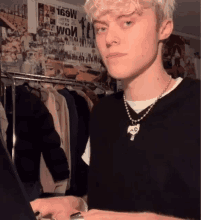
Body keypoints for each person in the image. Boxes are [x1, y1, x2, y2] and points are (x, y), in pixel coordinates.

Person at [30, 0, 200, 220]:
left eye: (127, 22)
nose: (109, 39)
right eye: (101, 27)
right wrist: (77, 204)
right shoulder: (103, 113)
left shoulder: (195, 103)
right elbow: (105, 198)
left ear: (164, 28)